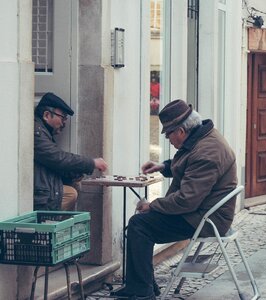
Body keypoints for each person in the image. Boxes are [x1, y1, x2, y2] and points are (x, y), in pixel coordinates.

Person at [113, 99, 237, 300]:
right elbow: (189, 165)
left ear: (180, 131)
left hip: (206, 219)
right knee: (139, 225)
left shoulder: (207, 151)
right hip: (202, 211)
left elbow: (187, 200)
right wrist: (164, 166)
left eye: (169, 133)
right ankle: (141, 286)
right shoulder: (203, 138)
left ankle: (142, 292)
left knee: (139, 226)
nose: (168, 139)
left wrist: (153, 205)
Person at [34, 92, 108, 211]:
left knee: (73, 186)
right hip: (38, 193)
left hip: (42, 187)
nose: (64, 123)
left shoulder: (42, 131)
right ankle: (48, 225)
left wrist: (76, 172)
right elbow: (57, 158)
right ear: (47, 115)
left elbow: (55, 162)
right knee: (70, 194)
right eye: (62, 117)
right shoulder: (36, 132)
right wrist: (92, 163)